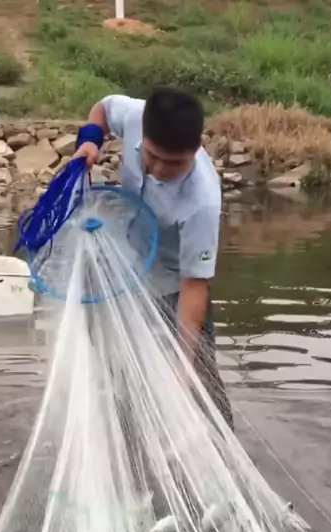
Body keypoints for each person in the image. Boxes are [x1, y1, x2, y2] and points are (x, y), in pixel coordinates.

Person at [74, 86, 233, 430]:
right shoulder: (136, 115)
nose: (159, 169)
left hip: (174, 284)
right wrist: (89, 142)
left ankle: (223, 452)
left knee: (201, 385)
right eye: (152, 156)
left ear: (196, 148)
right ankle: (129, 443)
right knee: (121, 367)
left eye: (175, 163)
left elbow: (194, 285)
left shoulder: (202, 201)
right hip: (126, 268)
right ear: (143, 133)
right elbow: (102, 108)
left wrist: (182, 366)